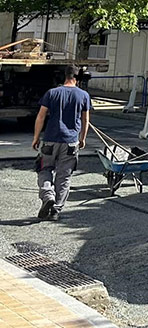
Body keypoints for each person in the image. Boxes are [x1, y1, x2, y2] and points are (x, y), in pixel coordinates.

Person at [32, 63, 92, 221]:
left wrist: (36, 137)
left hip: (50, 139)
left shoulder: (52, 93)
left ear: (64, 76)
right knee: (64, 176)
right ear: (77, 78)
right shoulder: (83, 95)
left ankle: (47, 196)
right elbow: (85, 119)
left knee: (44, 169)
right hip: (71, 142)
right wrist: (82, 138)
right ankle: (56, 210)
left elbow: (41, 116)